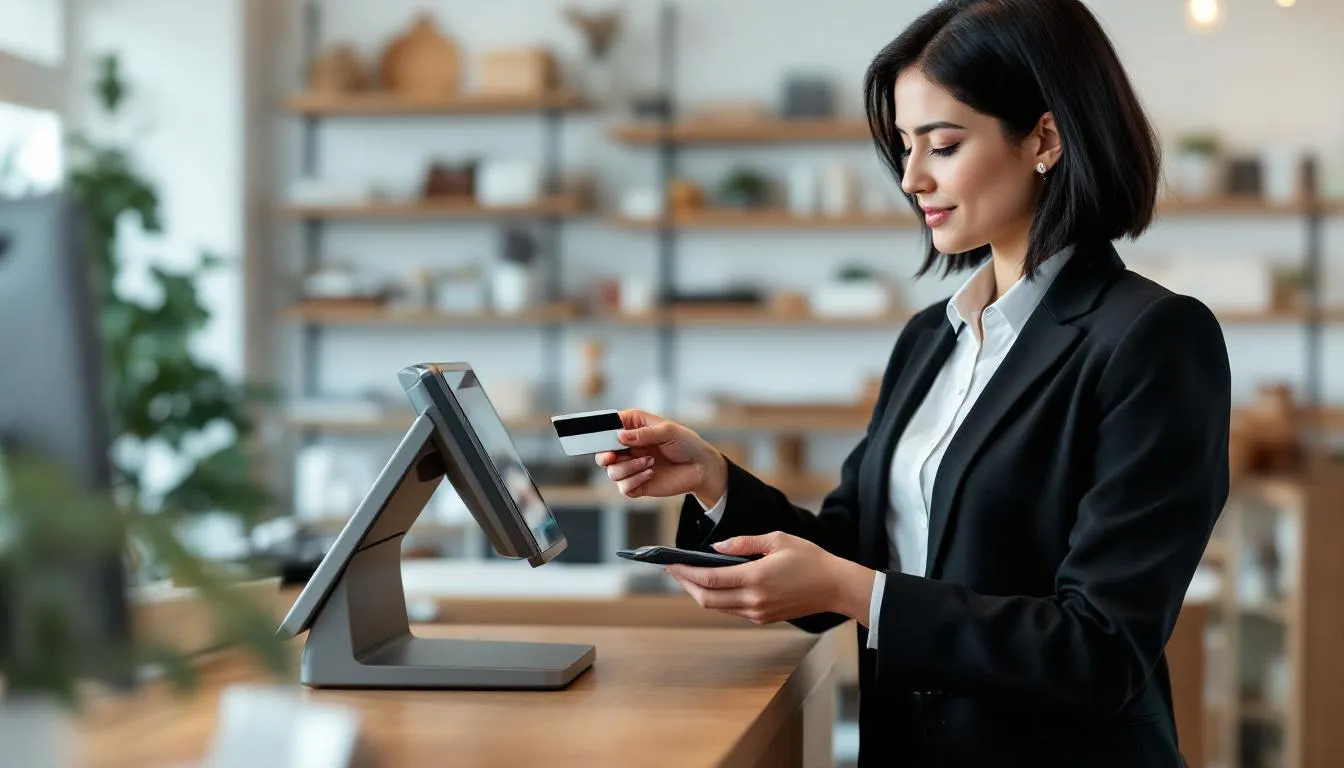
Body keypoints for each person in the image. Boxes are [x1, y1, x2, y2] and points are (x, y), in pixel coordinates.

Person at [594, 0, 1230, 765]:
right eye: (903, 145)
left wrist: (852, 592)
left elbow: (1099, 651)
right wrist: (716, 481)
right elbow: (854, 550)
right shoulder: (931, 337)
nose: (910, 176)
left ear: (1045, 137)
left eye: (944, 144)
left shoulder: (1151, 340)